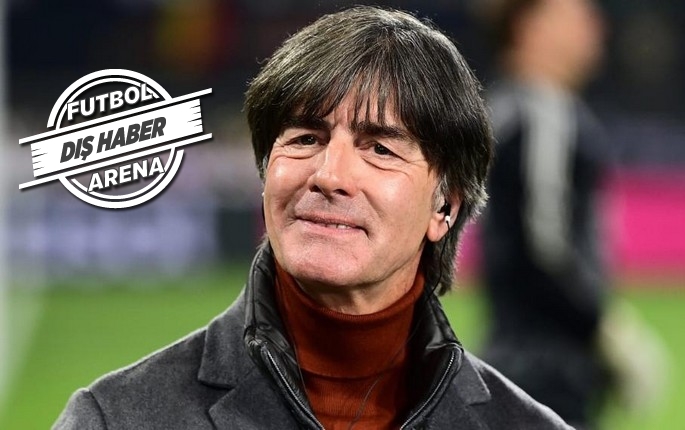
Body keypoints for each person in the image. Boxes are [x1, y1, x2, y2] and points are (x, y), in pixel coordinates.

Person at [53, 6, 571, 430]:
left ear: (445, 207)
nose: (329, 174)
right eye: (305, 138)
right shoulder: (114, 419)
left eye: (380, 148)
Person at [477, 0, 611, 428]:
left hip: (510, 352)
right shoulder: (544, 114)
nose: (594, 27)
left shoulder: (501, 106)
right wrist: (602, 329)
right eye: (575, 15)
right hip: (548, 364)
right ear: (529, 28)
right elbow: (546, 247)